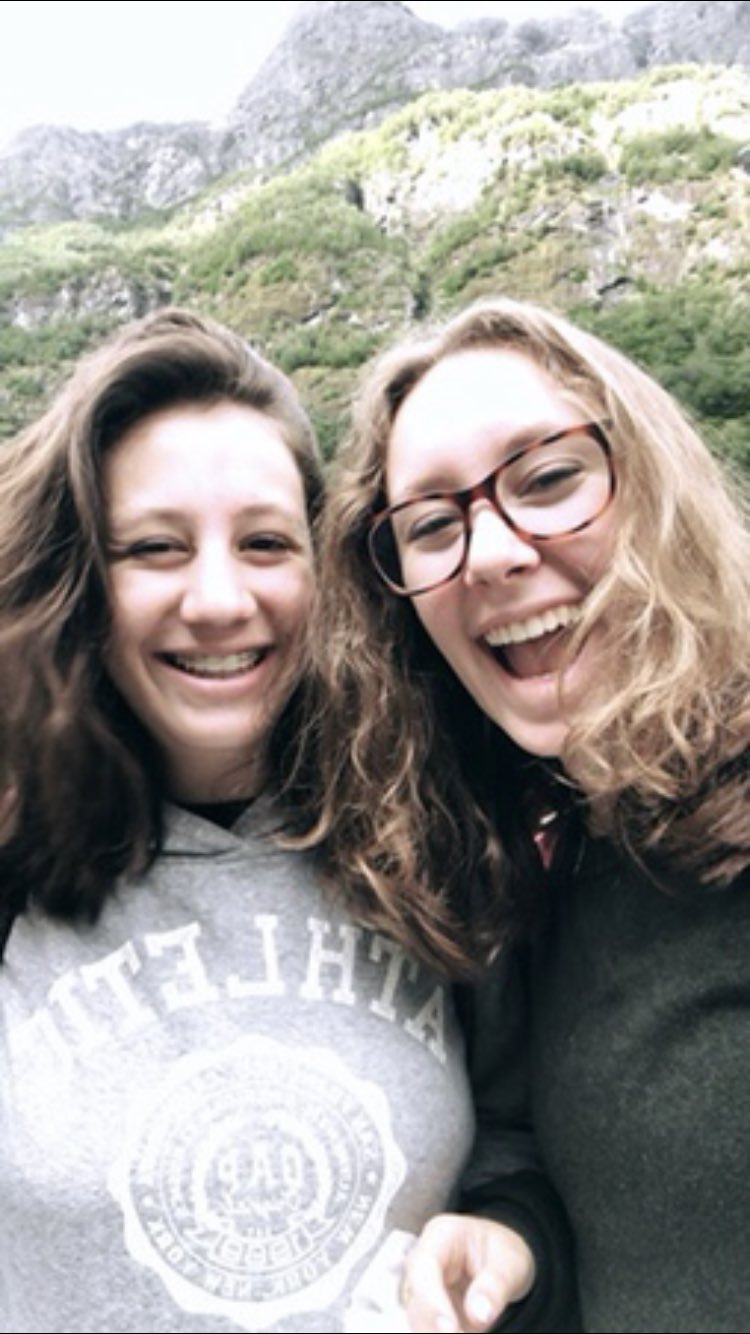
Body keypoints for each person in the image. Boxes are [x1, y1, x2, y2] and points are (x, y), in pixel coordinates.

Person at [0, 306, 485, 1334]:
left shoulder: (433, 833)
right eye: (154, 547)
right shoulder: (10, 867)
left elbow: (526, 1138)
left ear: (325, 568)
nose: (219, 600)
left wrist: (512, 1235)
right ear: (79, 578)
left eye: (265, 542)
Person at [307, 294, 750, 1333]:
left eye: (549, 478)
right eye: (431, 525)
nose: (494, 552)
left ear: (655, 486)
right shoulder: (567, 859)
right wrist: (518, 1247)